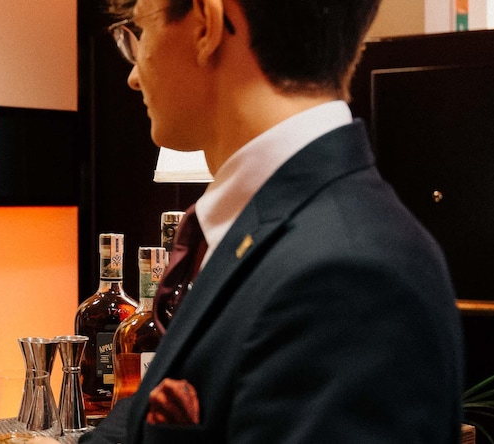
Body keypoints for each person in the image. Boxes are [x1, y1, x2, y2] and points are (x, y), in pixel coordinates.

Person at [82, 0, 464, 443]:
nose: (133, 75)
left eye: (140, 30)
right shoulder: (258, 227)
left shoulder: (349, 274)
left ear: (206, 24)